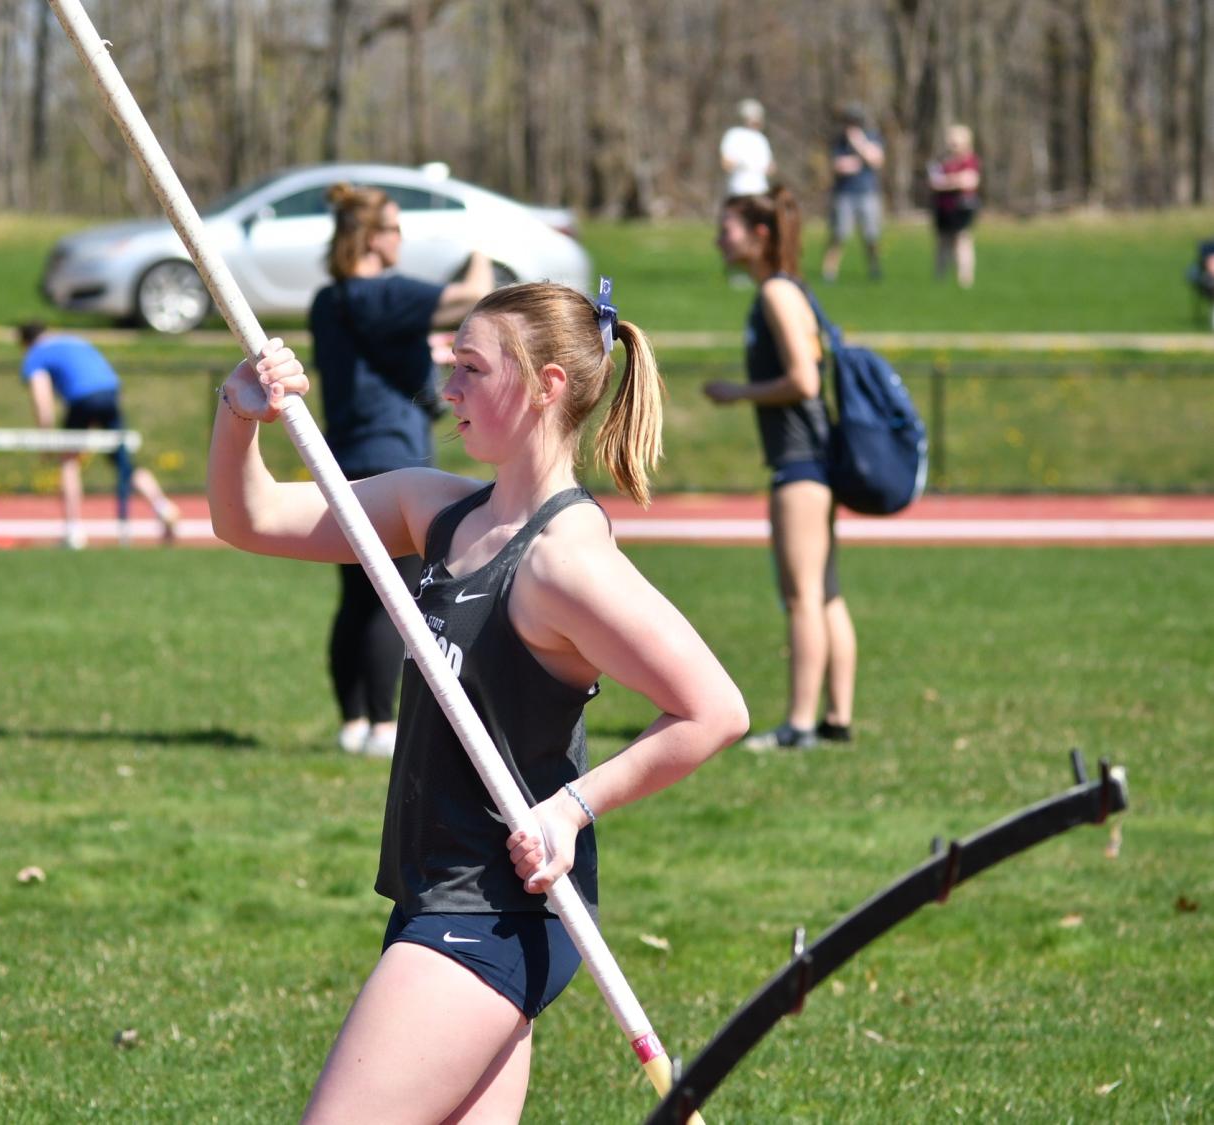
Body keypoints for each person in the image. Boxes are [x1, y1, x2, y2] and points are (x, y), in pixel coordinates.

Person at [208, 282, 749, 1123]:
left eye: (469, 367)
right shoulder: (438, 511)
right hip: (439, 899)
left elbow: (715, 709)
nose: (447, 389)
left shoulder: (565, 562)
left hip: (491, 912)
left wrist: (572, 809)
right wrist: (239, 415)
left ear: (546, 386)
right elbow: (250, 517)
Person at [308, 183, 494, 759]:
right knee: (402, 598)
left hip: (344, 458)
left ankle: (354, 722)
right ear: (370, 238)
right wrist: (483, 244)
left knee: (357, 597)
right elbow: (475, 294)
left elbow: (380, 359)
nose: (401, 239)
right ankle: (386, 729)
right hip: (395, 460)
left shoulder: (329, 299)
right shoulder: (383, 293)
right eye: (392, 228)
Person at [703, 186, 857, 751]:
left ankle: (798, 726)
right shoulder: (790, 290)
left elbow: (804, 380)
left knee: (802, 596)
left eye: (729, 228)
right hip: (810, 459)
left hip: (800, 462)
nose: (721, 238)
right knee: (826, 593)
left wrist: (736, 391)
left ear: (759, 234)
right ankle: (836, 718)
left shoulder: (775, 293)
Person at [17, 323, 180, 549]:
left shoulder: (35, 354)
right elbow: (102, 372)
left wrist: (46, 436)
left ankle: (73, 530)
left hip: (81, 398)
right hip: (110, 393)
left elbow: (41, 395)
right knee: (122, 460)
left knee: (68, 460)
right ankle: (162, 506)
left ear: (24, 343)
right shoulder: (73, 340)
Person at [821, 105, 886, 283]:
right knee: (839, 233)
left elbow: (876, 160)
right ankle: (829, 272)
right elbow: (838, 166)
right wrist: (858, 161)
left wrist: (859, 144)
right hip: (844, 193)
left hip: (867, 192)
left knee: (871, 234)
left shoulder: (871, 137)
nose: (851, 126)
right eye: (849, 122)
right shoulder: (839, 141)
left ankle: (874, 268)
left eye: (855, 122)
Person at [928, 124, 981, 289]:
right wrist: (954, 180)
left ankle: (965, 281)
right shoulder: (942, 159)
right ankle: (939, 280)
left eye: (955, 142)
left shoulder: (970, 160)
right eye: (950, 141)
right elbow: (934, 182)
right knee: (942, 242)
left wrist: (947, 181)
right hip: (943, 206)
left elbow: (970, 181)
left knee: (962, 241)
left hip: (962, 206)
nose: (952, 145)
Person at [719, 98, 775, 198]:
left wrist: (761, 168)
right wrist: (740, 165)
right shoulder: (733, 135)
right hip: (738, 190)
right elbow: (725, 163)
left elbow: (771, 167)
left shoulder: (761, 139)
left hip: (760, 190)